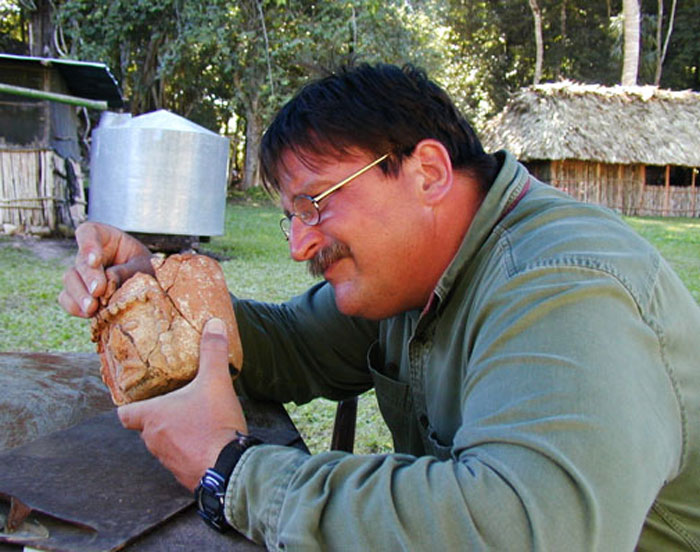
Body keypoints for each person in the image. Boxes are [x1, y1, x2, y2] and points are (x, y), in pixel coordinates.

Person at [59, 62, 700, 551]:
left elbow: (523, 528)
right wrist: (153, 294)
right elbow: (290, 342)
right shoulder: (415, 270)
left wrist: (233, 471)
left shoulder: (562, 284)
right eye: (290, 219)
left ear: (427, 173)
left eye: (317, 202)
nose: (300, 244)